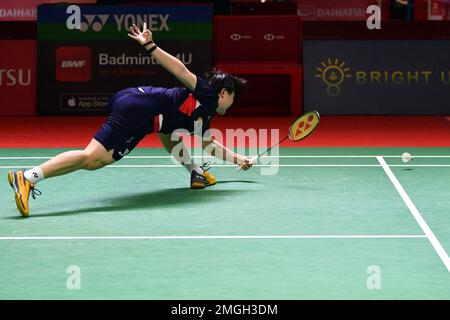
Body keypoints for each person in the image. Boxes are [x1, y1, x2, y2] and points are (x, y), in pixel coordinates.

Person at [7, 23, 253, 218]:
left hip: (142, 113)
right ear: (224, 93)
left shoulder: (202, 114)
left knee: (98, 161)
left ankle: (196, 172)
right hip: (138, 107)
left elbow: (190, 141)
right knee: (90, 155)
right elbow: (181, 71)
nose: (233, 103)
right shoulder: (207, 94)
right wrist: (151, 46)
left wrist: (235, 161)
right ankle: (28, 177)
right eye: (234, 97)